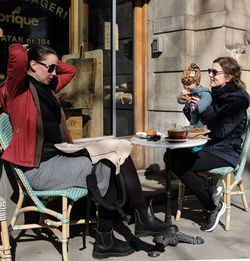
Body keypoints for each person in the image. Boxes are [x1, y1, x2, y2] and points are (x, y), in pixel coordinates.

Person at [0, 43, 174, 259]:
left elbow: (70, 70)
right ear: (32, 65)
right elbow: (15, 56)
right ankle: (110, 236)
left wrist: (51, 62)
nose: (55, 73)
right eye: (50, 68)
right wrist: (22, 48)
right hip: (39, 169)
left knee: (119, 148)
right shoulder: (18, 88)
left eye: (55, 69)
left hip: (61, 156)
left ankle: (138, 219)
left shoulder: (47, 87)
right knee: (109, 163)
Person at [167, 56, 249, 232]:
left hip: (225, 152)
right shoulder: (214, 95)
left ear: (228, 77)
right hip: (209, 147)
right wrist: (191, 108)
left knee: (180, 162)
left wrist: (206, 108)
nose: (210, 75)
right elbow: (201, 124)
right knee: (170, 156)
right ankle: (210, 194)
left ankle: (212, 207)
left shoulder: (238, 100)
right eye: (209, 71)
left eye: (215, 72)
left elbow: (219, 131)